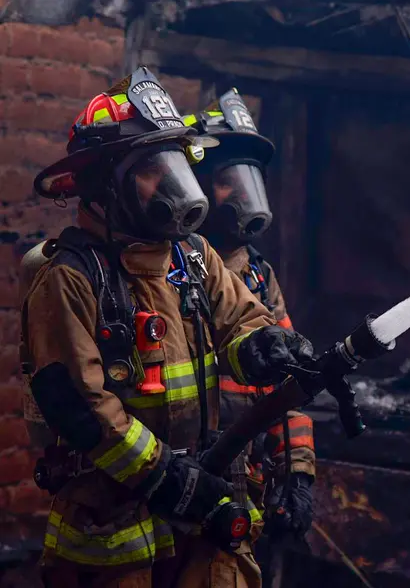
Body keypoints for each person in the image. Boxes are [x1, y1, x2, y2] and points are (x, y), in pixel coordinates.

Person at [21, 67, 315, 588]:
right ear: (104, 185)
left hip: (203, 506)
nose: (173, 185)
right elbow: (86, 408)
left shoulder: (193, 254)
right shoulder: (69, 279)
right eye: (151, 169)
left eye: (173, 164)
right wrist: (166, 477)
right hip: (115, 527)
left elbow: (239, 320)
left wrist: (264, 345)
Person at [181, 91, 316, 546]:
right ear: (192, 185)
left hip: (245, 484)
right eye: (227, 179)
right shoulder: (170, 270)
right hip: (179, 483)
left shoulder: (258, 275)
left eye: (250, 178)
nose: (242, 193)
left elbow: (288, 385)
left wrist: (298, 474)